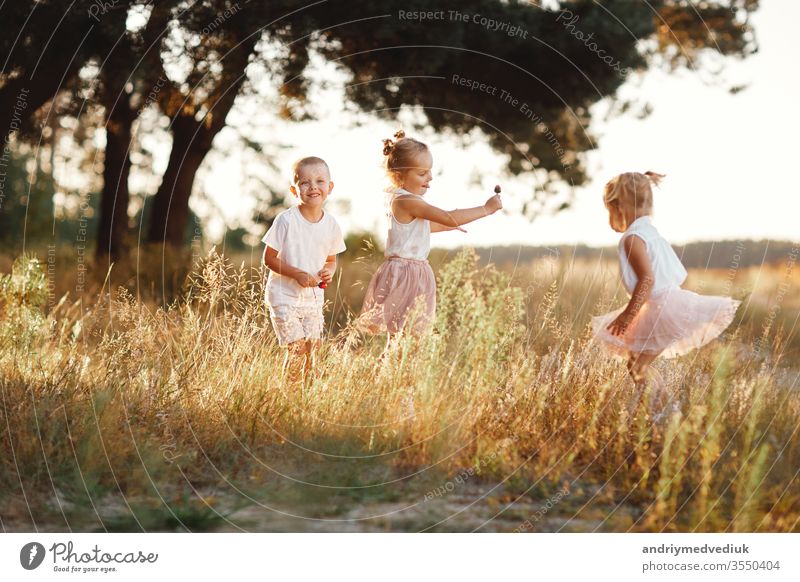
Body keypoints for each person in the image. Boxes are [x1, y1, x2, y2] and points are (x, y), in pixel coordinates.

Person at [591, 171, 740, 389]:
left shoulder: (632, 238)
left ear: (619, 206)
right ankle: (657, 408)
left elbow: (647, 280)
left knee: (637, 366)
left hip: (660, 307)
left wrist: (627, 316)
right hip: (666, 303)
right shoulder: (650, 232)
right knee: (637, 365)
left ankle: (659, 411)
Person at [360, 130, 503, 338]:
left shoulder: (403, 200)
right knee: (408, 334)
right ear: (399, 176)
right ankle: (394, 366)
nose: (430, 177)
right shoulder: (407, 201)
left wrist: (446, 226)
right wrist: (485, 209)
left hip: (413, 271)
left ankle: (396, 367)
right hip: (406, 273)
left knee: (407, 335)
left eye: (429, 171)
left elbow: (419, 228)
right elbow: (446, 216)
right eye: (422, 173)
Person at [262, 156, 346, 380]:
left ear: (330, 187)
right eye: (305, 182)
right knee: (297, 349)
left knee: (314, 351)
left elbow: (331, 259)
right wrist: (296, 273)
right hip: (284, 295)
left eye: (320, 181)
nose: (313, 187)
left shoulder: (331, 225)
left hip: (313, 297)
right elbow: (269, 258)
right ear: (294, 189)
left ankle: (305, 397)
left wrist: (330, 270)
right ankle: (287, 399)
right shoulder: (286, 220)